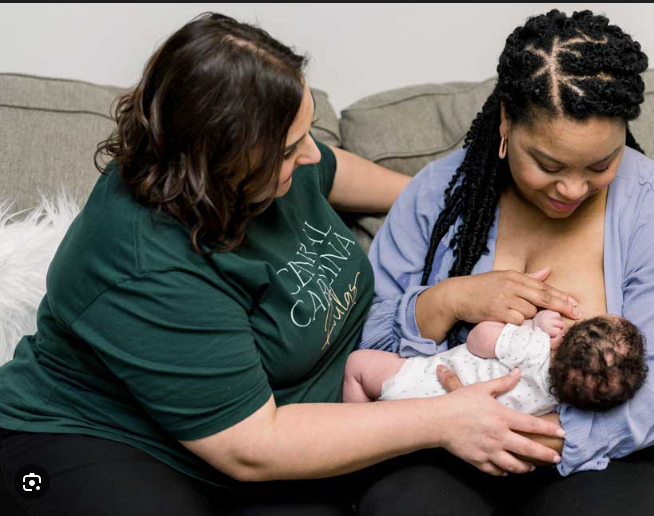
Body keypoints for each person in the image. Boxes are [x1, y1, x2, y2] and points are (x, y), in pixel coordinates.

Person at [0, 12, 567, 516]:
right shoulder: (144, 263)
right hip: (82, 443)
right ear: (219, 161)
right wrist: (446, 420)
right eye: (291, 147)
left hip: (278, 428)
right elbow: (254, 446)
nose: (311, 154)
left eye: (306, 134)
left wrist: (454, 206)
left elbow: (336, 171)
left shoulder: (270, 174)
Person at [357, 9, 654, 516]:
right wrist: (450, 299)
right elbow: (363, 340)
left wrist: (518, 437)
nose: (572, 189)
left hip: (614, 450)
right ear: (506, 119)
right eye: (548, 165)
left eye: (601, 164)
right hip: (442, 439)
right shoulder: (438, 195)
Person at [344, 311, 648, 416]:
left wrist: (534, 324)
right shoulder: (557, 401)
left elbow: (479, 339)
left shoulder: (534, 347)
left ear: (566, 335)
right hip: (440, 430)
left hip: (420, 381)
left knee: (357, 365)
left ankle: (360, 428)